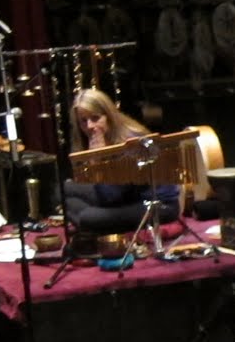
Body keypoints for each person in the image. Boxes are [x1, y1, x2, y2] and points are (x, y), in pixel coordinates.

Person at [62, 88, 180, 233]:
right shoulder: (103, 137)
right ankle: (94, 225)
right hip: (125, 198)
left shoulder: (130, 140)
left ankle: (93, 226)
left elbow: (109, 197)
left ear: (109, 116)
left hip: (158, 205)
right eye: (83, 121)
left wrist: (98, 162)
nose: (89, 126)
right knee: (64, 192)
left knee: (87, 216)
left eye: (95, 118)